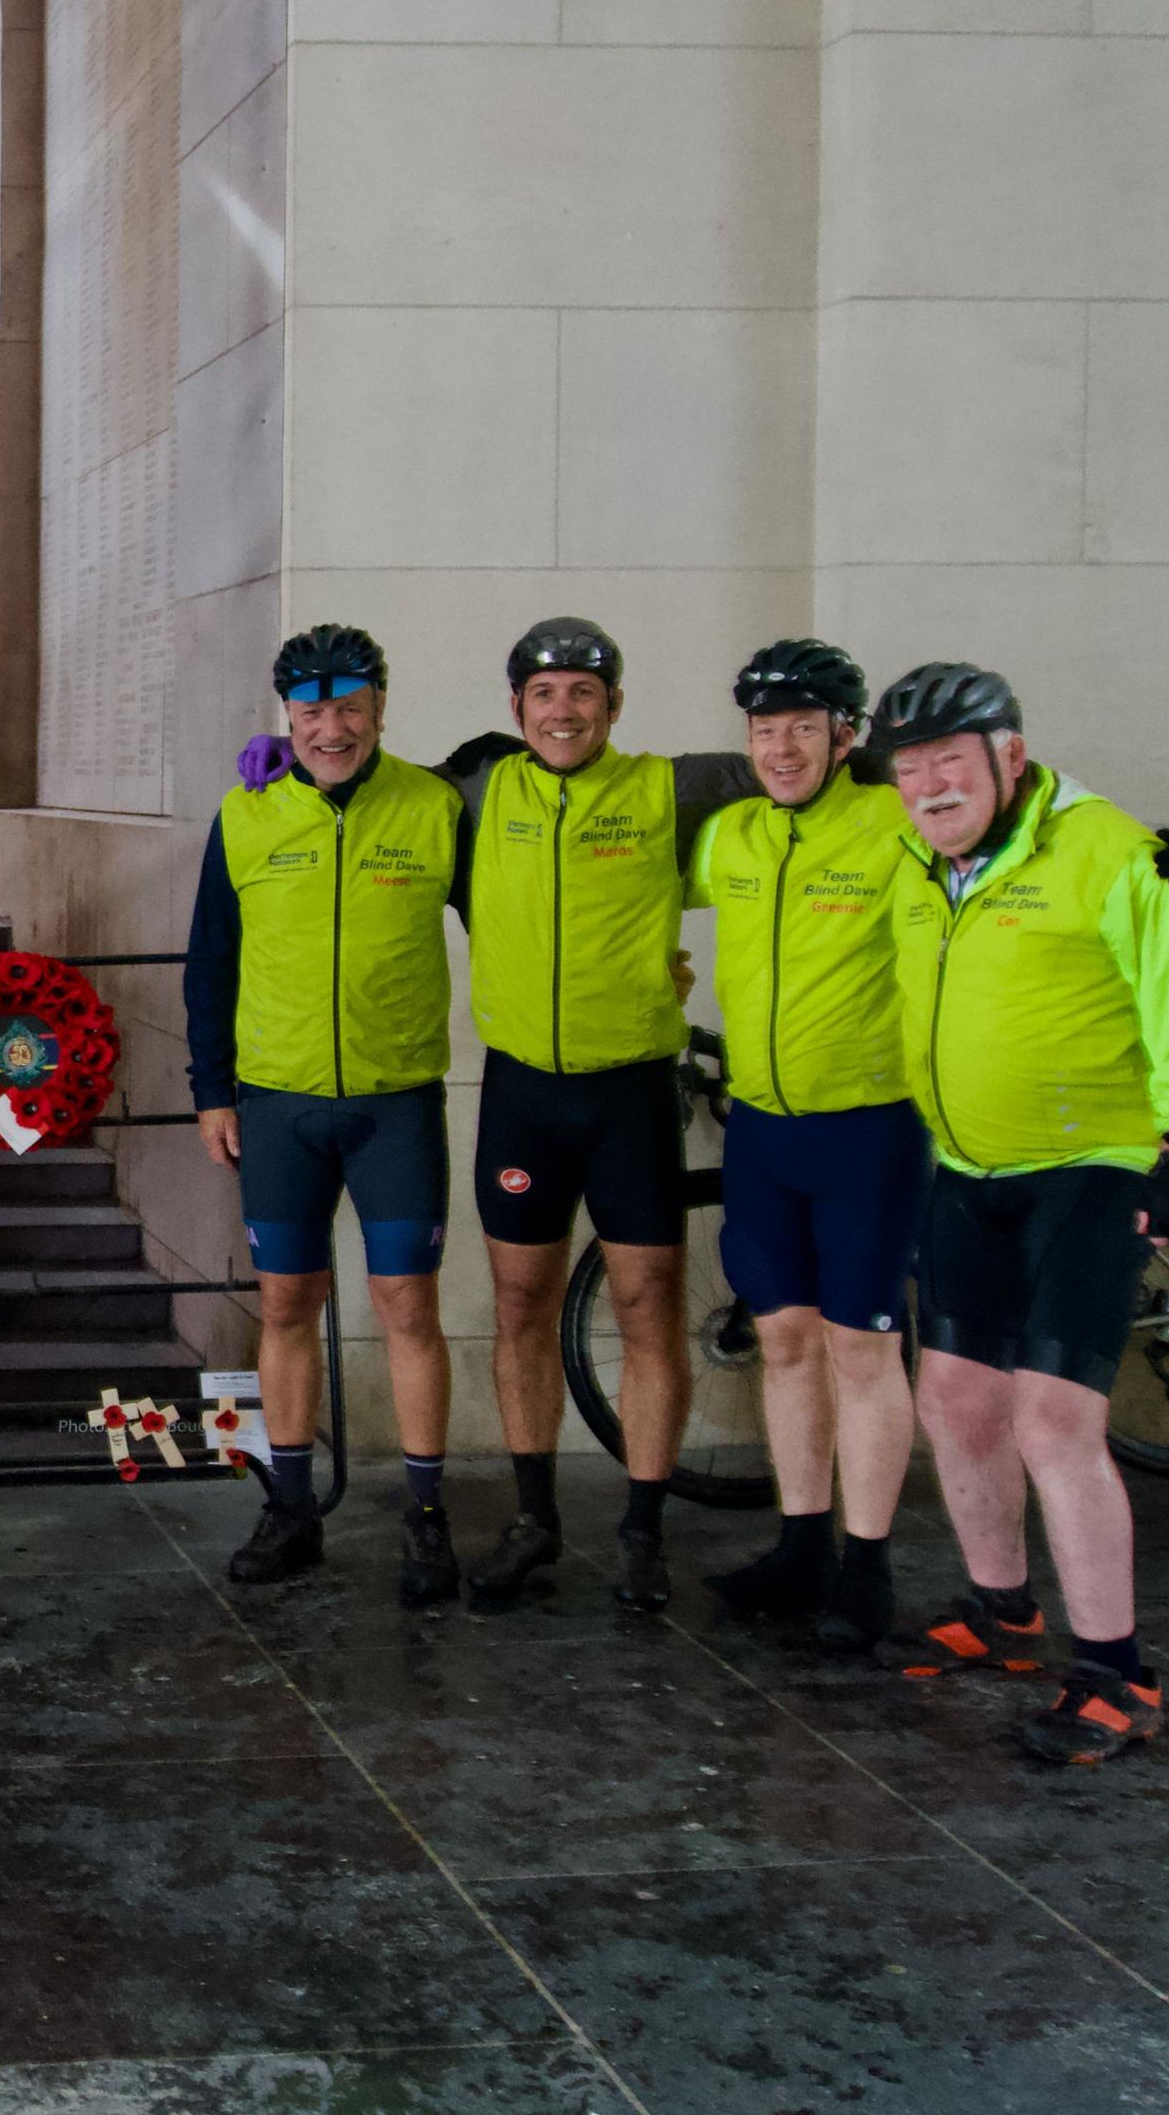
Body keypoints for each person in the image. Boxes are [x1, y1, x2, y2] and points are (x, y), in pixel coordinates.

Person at [869, 662, 1169, 1764]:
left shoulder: (1114, 854)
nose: (930, 786)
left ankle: (1117, 1672)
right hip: (970, 1169)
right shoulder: (908, 858)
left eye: (951, 762)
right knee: (955, 1400)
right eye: (910, 769)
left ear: (1011, 758)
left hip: (1091, 1171)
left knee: (1052, 1422)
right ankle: (1004, 1613)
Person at [437, 618, 759, 1612]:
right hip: (522, 1092)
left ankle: (642, 1529)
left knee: (646, 1309)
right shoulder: (479, 797)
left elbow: (825, 766)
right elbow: (357, 787)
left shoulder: (669, 789)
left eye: (584, 692)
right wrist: (279, 764)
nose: (564, 709)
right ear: (516, 710)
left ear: (614, 705)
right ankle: (534, 1519)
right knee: (523, 1306)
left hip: (628, 1094)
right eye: (545, 694)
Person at [185, 624, 467, 1606]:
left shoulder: (436, 809)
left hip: (395, 1108)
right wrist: (210, 1090)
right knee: (285, 1306)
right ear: (288, 718)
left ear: (380, 709)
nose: (331, 729)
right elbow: (210, 961)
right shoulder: (246, 815)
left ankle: (427, 1519)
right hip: (278, 1107)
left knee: (407, 1310)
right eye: (312, 713)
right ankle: (291, 1507)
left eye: (350, 709)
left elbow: (520, 915)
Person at [678, 642, 926, 1650]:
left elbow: (1007, 801)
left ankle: (866, 1573)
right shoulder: (733, 835)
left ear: (846, 736)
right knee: (782, 1343)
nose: (782, 749)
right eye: (765, 731)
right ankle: (802, 1545)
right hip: (764, 1128)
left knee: (860, 1348)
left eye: (803, 729)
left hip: (868, 1126)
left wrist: (1138, 855)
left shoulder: (893, 824)